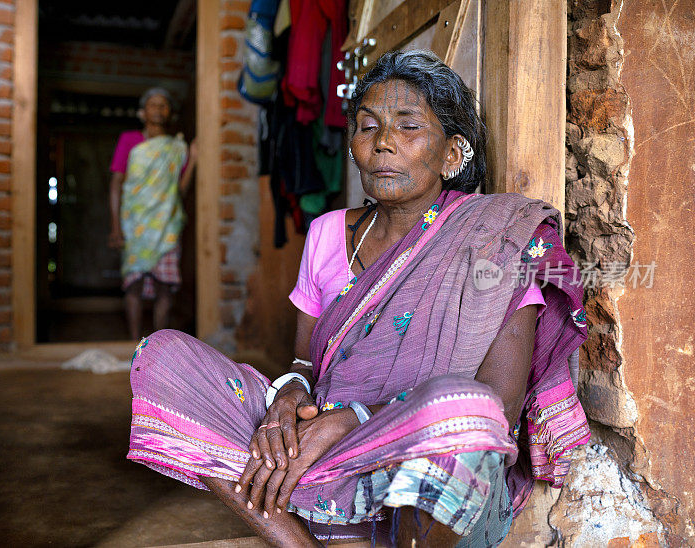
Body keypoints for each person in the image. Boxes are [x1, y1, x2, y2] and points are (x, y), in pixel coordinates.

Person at [126, 51, 589, 546]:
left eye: (408, 127)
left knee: (468, 410)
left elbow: (500, 403)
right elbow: (305, 362)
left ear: (454, 154)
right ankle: (299, 541)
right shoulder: (327, 233)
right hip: (315, 446)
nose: (383, 143)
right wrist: (288, 396)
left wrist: (356, 418)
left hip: (419, 464)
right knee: (161, 356)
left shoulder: (497, 239)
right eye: (367, 127)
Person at [108, 88, 197, 341]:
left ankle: (159, 348)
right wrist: (115, 227)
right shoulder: (129, 140)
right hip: (135, 224)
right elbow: (116, 183)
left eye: (163, 105)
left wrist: (194, 159)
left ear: (169, 113)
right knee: (133, 285)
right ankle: (135, 345)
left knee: (165, 287)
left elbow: (180, 190)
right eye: (152, 104)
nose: (158, 109)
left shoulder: (176, 148)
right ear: (141, 112)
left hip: (166, 224)